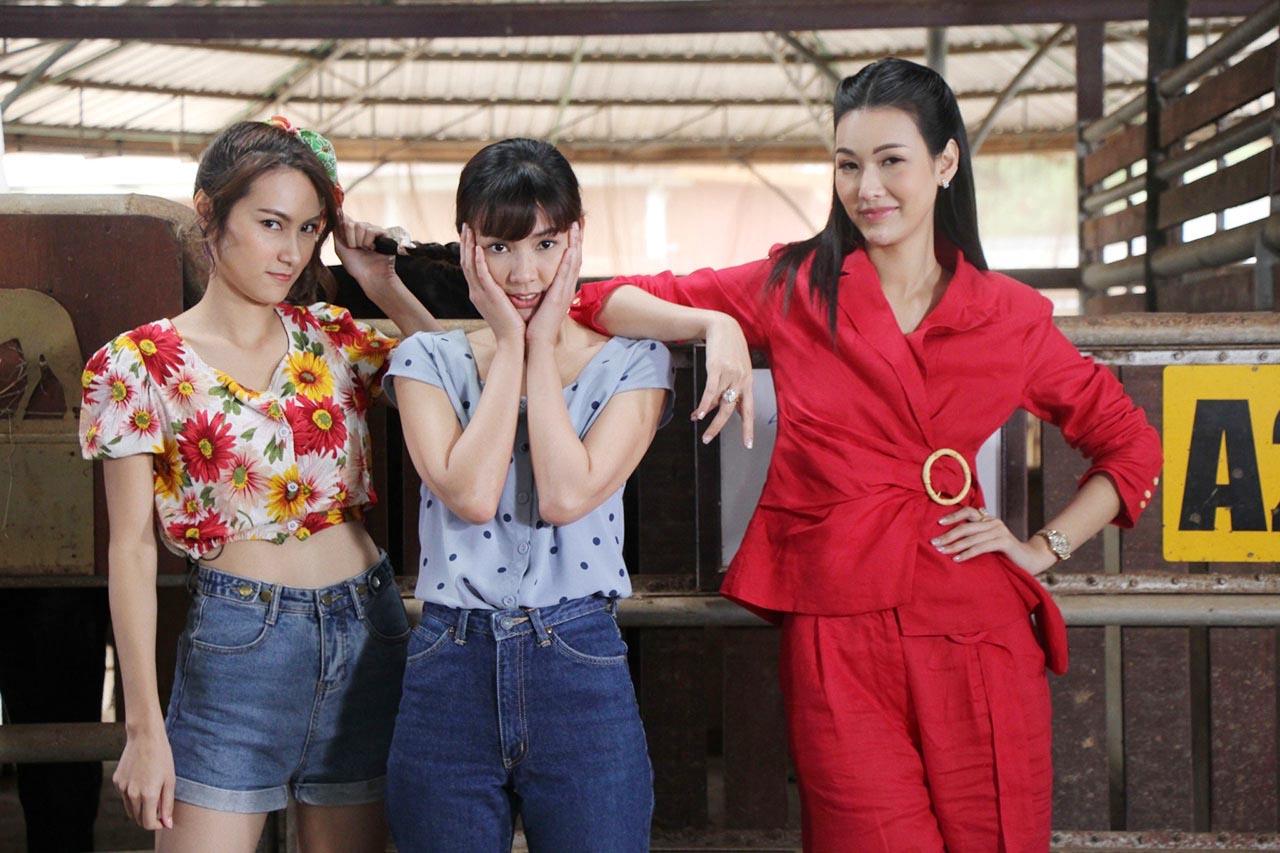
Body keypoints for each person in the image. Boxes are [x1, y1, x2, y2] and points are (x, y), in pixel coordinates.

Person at [567, 58, 1163, 852]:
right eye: (848, 165)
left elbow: (1131, 441)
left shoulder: (1009, 315)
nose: (867, 187)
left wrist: (1041, 547)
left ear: (945, 164)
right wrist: (713, 324)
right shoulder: (795, 286)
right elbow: (602, 298)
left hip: (977, 630)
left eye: (891, 161)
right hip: (837, 638)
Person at [78, 116, 441, 852]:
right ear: (209, 213)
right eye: (270, 223)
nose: (291, 252)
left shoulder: (333, 335)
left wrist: (383, 285)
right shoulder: (135, 364)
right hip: (238, 649)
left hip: (367, 635)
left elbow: (451, 380)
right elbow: (131, 551)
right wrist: (143, 727)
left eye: (309, 229)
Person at [381, 137, 671, 852]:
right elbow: (472, 494)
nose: (525, 272)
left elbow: (566, 494)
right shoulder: (426, 359)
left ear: (577, 237)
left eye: (545, 244)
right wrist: (512, 345)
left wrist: (540, 347)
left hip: (578, 655)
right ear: (466, 246)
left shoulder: (634, 362)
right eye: (499, 248)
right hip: (450, 660)